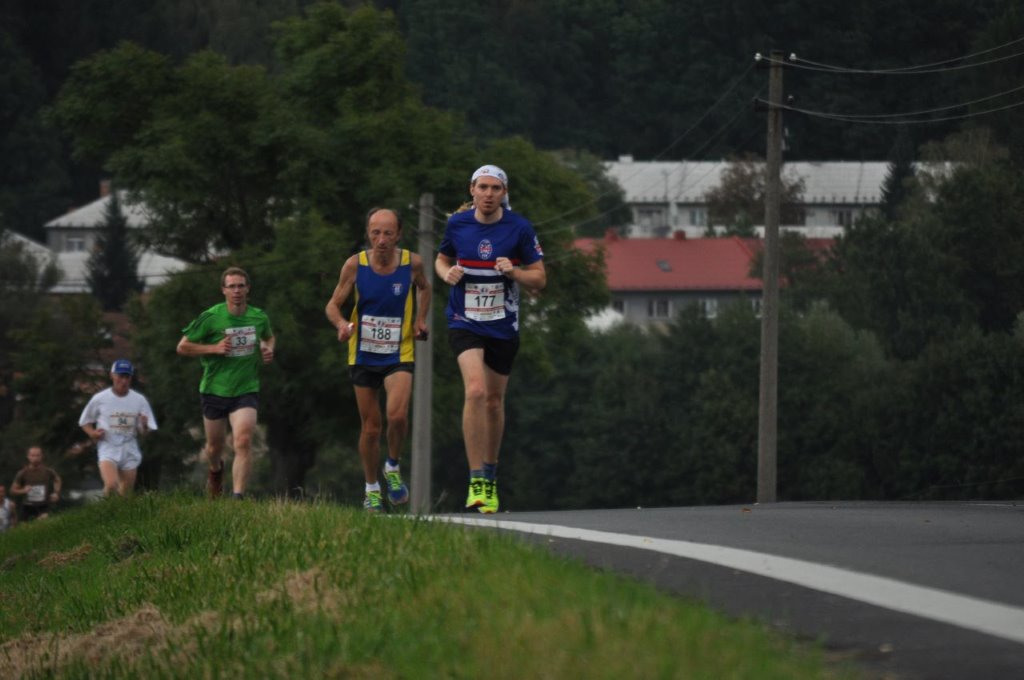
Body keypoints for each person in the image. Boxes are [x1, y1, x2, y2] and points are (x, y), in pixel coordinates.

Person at [434, 165, 546, 513]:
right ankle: (476, 480)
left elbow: (540, 279)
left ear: (504, 193)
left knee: (494, 402)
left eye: (495, 188)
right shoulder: (457, 224)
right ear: (471, 189)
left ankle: (491, 473)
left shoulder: (519, 228)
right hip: (464, 320)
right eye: (482, 187)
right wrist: (446, 273)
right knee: (476, 391)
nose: (488, 194)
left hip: (502, 325)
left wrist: (515, 272)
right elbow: (441, 259)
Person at [325, 208, 431, 512]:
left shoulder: (412, 263)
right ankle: (371, 489)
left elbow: (425, 288)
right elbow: (332, 305)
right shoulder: (355, 265)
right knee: (371, 428)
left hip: (399, 351)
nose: (381, 239)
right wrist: (341, 325)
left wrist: (420, 320)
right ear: (368, 234)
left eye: (387, 233)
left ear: (398, 235)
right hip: (363, 353)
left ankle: (392, 466)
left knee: (397, 416)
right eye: (375, 233)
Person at [177, 266, 275, 499]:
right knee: (214, 448)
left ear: (248, 288)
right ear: (223, 290)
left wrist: (268, 349)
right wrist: (214, 348)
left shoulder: (259, 317)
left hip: (246, 388)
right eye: (232, 287)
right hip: (214, 389)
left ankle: (238, 496)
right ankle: (215, 470)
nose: (237, 291)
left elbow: (268, 336)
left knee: (243, 441)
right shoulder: (211, 317)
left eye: (241, 286)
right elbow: (182, 347)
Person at [78, 359, 158, 497]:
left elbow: (145, 432)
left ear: (131, 378)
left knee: (126, 493)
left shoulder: (139, 400)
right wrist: (93, 433)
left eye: (127, 377)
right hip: (108, 446)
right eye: (120, 376)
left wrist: (144, 425)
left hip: (129, 447)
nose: (124, 381)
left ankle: (119, 510)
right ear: (112, 376)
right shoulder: (100, 398)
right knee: (111, 485)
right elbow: (85, 422)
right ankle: (106, 508)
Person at [10, 445, 62, 521]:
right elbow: (12, 490)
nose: (35, 458)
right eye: (33, 455)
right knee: (27, 527)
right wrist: (23, 490)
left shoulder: (48, 471)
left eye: (38, 455)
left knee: (43, 523)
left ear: (42, 456)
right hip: (28, 506)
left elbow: (57, 479)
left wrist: (56, 492)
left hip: (43, 505)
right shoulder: (22, 473)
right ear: (28, 457)